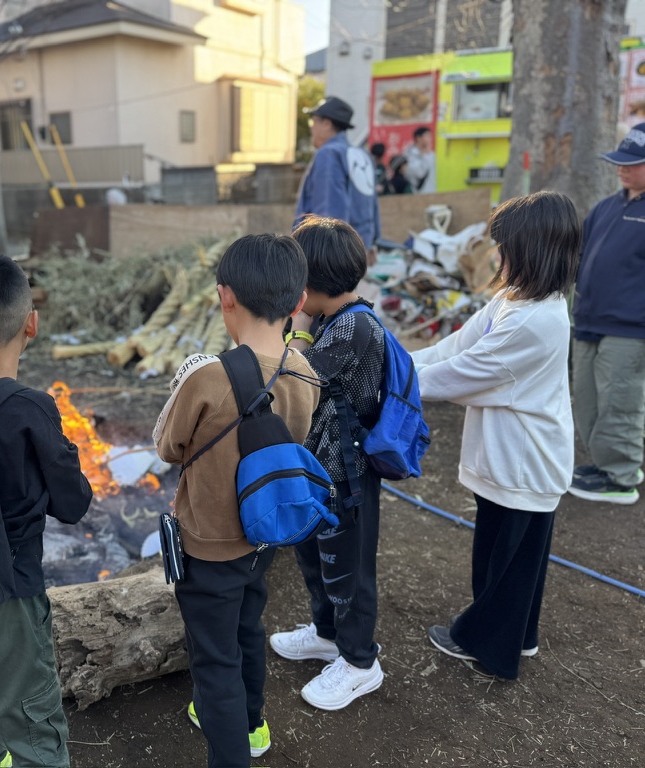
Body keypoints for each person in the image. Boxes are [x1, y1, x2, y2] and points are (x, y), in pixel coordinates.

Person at [154, 233, 320, 767]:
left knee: (214, 658)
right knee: (249, 625)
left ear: (225, 297)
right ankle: (253, 726)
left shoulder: (206, 375)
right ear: (298, 303)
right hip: (264, 533)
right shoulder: (305, 371)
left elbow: (167, 447)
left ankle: (231, 750)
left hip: (210, 545)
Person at [412, 191, 580, 679]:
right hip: (511, 456)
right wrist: (396, 360)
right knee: (513, 558)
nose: (497, 255)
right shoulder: (516, 299)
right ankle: (519, 635)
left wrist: (383, 378)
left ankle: (487, 645)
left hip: (524, 461)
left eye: (504, 246)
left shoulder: (536, 320)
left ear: (532, 249)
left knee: (505, 564)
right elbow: (454, 347)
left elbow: (461, 374)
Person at [0, 252, 93, 768]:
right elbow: (74, 504)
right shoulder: (30, 407)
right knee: (31, 716)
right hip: (9, 593)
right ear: (33, 323)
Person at [269, 216, 386, 711]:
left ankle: (361, 662)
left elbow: (295, 377)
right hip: (320, 471)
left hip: (348, 477)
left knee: (349, 571)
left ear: (311, 283)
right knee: (315, 558)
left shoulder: (354, 326)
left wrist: (289, 333)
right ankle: (325, 634)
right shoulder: (330, 320)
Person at [567, 122, 645, 506]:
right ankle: (605, 464)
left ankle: (621, 475)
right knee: (587, 400)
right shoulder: (606, 207)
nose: (621, 168)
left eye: (633, 162)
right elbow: (578, 257)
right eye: (619, 161)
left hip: (631, 329)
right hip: (588, 321)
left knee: (620, 400)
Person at [293, 96, 381, 252]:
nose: (312, 128)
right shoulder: (361, 155)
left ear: (327, 124)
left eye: (313, 122)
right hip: (358, 251)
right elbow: (372, 206)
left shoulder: (329, 154)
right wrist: (372, 243)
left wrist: (325, 255)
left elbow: (329, 210)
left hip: (333, 256)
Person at [402, 126, 436, 193]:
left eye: (430, 136)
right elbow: (420, 173)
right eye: (427, 136)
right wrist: (425, 155)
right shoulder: (410, 154)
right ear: (418, 138)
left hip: (432, 191)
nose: (429, 139)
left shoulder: (432, 154)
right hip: (416, 193)